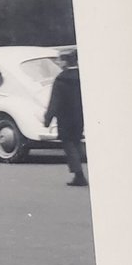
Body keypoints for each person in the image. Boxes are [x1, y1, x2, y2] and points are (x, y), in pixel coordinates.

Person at [44, 48, 87, 186]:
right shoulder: (83, 77)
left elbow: (54, 101)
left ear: (65, 62)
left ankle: (79, 175)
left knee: (69, 144)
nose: (58, 62)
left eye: (60, 60)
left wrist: (48, 118)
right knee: (77, 141)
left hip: (65, 117)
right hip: (80, 116)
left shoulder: (61, 79)